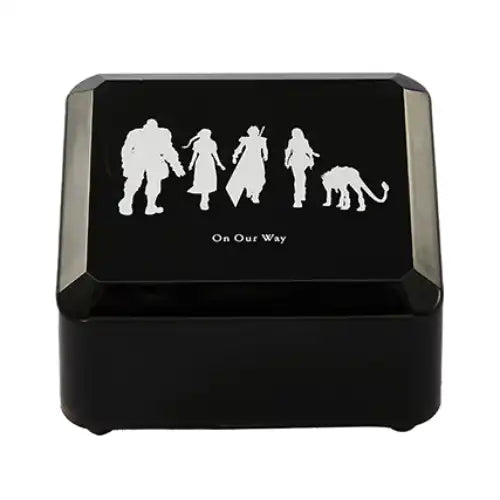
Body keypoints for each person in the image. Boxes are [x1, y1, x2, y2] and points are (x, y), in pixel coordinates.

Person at [118, 119, 185, 215]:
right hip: (139, 160)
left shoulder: (163, 134)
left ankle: (150, 206)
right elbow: (126, 150)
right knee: (134, 182)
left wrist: (177, 166)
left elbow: (169, 151)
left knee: (154, 183)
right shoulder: (136, 134)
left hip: (154, 161)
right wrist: (126, 164)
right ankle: (127, 202)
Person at [183, 129, 225, 211]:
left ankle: (205, 198)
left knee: (207, 180)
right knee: (202, 179)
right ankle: (204, 198)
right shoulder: (198, 143)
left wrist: (220, 164)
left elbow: (215, 154)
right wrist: (191, 164)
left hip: (208, 162)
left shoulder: (211, 143)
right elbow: (195, 154)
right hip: (201, 163)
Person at [226, 125, 268, 206]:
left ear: (257, 132)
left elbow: (265, 149)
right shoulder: (246, 140)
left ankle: (255, 195)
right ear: (249, 133)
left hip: (257, 160)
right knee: (247, 176)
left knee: (259, 177)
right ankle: (249, 189)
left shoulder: (261, 140)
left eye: (255, 132)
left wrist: (265, 155)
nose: (253, 134)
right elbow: (239, 148)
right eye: (252, 132)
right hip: (247, 160)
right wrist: (235, 156)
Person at [284, 128, 320, 208]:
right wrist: (286, 161)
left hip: (302, 160)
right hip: (296, 161)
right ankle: (297, 199)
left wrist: (312, 157)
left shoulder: (304, 141)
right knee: (299, 179)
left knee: (301, 178)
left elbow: (308, 150)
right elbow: (288, 151)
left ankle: (301, 194)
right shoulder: (292, 141)